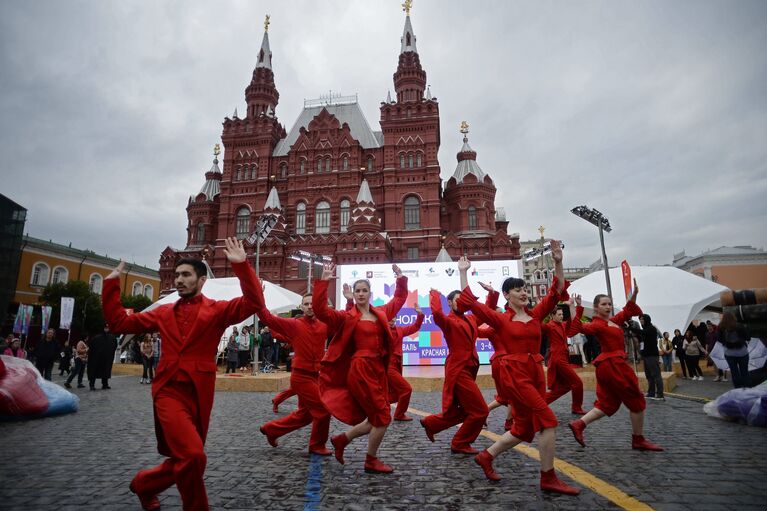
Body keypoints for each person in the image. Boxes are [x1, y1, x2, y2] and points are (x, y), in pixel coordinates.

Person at [101, 237, 259, 511]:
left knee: (188, 458)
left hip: (199, 392)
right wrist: (111, 284)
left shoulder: (217, 310)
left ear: (201, 280)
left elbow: (254, 303)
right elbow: (119, 323)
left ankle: (145, 484)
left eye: (186, 275)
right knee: (193, 455)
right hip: (168, 391)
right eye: (177, 275)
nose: (179, 280)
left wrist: (242, 266)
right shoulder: (163, 313)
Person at [456, 245, 579, 495]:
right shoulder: (500, 319)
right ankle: (548, 477)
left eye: (524, 289)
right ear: (506, 295)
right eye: (517, 289)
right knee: (548, 421)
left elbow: (557, 291)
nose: (523, 293)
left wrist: (558, 262)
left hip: (535, 372)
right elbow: (470, 304)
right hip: (515, 375)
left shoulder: (535, 315)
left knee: (523, 428)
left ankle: (486, 456)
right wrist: (463, 272)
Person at [314, 263, 407, 474]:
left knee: (375, 419)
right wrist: (324, 281)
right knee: (383, 418)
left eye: (364, 290)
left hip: (378, 370)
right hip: (360, 369)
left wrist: (400, 278)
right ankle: (370, 460)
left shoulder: (381, 313)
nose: (361, 294)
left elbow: (400, 299)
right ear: (353, 295)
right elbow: (321, 311)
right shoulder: (347, 317)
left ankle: (341, 440)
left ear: (370, 293)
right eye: (358, 291)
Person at [567, 284, 664, 453]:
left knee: (608, 403)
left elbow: (628, 310)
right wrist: (576, 308)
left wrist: (634, 295)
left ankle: (579, 424)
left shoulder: (613, 321)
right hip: (614, 366)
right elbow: (574, 330)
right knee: (636, 401)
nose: (608, 307)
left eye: (609, 304)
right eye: (604, 304)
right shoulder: (597, 324)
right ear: (596, 308)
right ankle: (638, 439)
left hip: (610, 366)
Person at [420, 260, 490, 455]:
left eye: (463, 299)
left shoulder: (471, 318)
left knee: (467, 410)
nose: (461, 302)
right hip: (458, 370)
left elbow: (487, 314)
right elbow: (436, 313)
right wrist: (434, 295)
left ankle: (432, 423)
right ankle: (459, 443)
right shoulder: (449, 321)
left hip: (469, 368)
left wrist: (492, 294)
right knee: (480, 411)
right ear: (450, 303)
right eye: (457, 299)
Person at [257, 288, 334, 455]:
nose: (309, 306)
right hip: (301, 377)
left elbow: (345, 321)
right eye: (306, 304)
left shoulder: (324, 325)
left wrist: (349, 301)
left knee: (305, 415)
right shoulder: (294, 324)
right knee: (323, 410)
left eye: (312, 303)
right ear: (301, 307)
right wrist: (258, 296)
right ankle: (317, 445)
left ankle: (272, 430)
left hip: (316, 376)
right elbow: (267, 318)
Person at [543, 300, 586, 414]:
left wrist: (574, 306)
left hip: (562, 358)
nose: (562, 316)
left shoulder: (562, 325)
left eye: (562, 314)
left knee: (565, 387)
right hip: (558, 359)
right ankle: (576, 408)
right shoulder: (549, 326)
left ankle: (540, 404)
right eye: (559, 315)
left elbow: (574, 321)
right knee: (577, 382)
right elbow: (538, 323)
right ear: (552, 316)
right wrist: (543, 307)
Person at [386, 303, 423, 422]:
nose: (392, 319)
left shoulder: (400, 330)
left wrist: (420, 315)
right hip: (386, 366)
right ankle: (399, 414)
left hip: (397, 365)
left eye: (394, 316)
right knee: (406, 389)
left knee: (395, 392)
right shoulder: (380, 330)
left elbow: (415, 327)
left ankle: (380, 409)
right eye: (389, 316)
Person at [717, 312, 751, 389]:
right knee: (744, 372)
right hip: (742, 353)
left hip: (729, 354)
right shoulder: (739, 326)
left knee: (734, 373)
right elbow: (748, 337)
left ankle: (738, 390)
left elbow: (718, 338)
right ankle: (747, 390)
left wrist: (725, 343)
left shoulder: (721, 327)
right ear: (733, 317)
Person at [639, 314, 664, 401]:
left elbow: (643, 333)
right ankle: (651, 392)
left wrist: (632, 328)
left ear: (647, 319)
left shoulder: (651, 328)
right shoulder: (644, 329)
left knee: (656, 375)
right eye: (640, 319)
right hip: (646, 355)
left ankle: (660, 394)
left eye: (642, 319)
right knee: (649, 375)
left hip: (652, 355)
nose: (641, 321)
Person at [87, 324, 117, 390]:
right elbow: (91, 347)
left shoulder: (112, 338)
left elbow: (114, 347)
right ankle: (92, 385)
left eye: (107, 328)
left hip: (106, 359)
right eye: (105, 328)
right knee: (94, 371)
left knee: (105, 371)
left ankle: (105, 384)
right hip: (97, 359)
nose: (106, 329)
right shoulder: (96, 338)